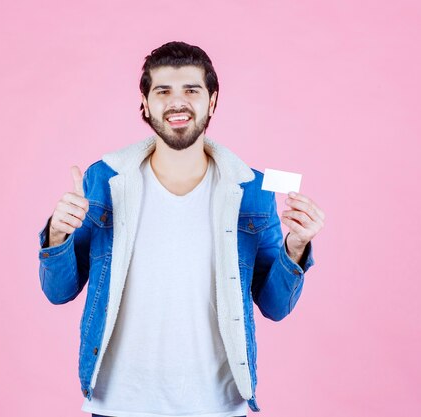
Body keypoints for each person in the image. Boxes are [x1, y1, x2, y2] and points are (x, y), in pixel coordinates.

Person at [38, 41, 325, 417]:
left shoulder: (251, 190)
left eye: (192, 90)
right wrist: (58, 235)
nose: (178, 102)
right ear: (144, 103)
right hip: (119, 403)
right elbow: (58, 292)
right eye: (163, 91)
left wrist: (296, 247)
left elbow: (274, 307)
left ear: (213, 101)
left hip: (218, 405)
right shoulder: (104, 180)